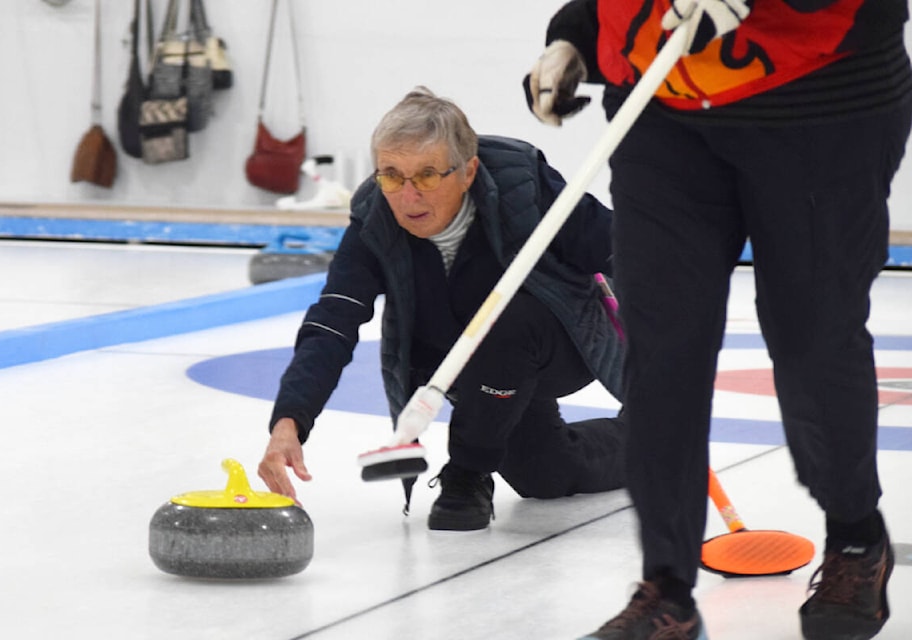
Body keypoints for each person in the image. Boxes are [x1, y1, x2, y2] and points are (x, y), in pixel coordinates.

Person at [526, 1, 911, 639]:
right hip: (661, 107)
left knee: (812, 336)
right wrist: (578, 32)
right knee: (660, 347)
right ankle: (667, 588)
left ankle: (854, 537)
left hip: (819, 99)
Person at [258, 86, 627, 532]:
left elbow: (621, 252)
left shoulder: (522, 182)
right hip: (465, 368)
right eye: (392, 175)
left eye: (428, 175)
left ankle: (467, 473)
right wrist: (290, 420)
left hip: (554, 343)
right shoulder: (375, 216)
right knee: (545, 475)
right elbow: (333, 321)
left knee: (509, 324)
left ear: (468, 171)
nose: (408, 196)